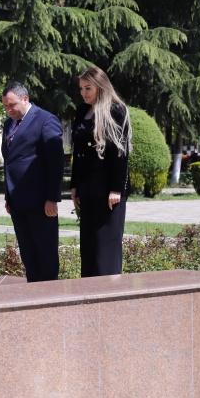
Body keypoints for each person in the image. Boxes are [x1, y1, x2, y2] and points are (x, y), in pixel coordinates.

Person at [70, 66, 132, 277]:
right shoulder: (82, 111)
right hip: (87, 189)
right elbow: (78, 153)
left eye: (88, 88)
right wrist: (74, 185)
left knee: (106, 249)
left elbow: (120, 153)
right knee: (89, 248)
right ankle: (89, 291)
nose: (83, 93)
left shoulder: (116, 110)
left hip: (108, 192)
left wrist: (116, 189)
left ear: (101, 87)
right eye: (81, 88)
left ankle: (110, 293)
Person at [2, 81, 64, 282]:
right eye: (5, 106)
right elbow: (10, 161)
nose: (9, 110)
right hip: (17, 201)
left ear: (25, 99)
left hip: (41, 202)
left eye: (12, 105)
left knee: (45, 254)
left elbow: (55, 163)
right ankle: (33, 293)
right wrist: (9, 197)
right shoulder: (8, 123)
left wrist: (52, 198)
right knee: (28, 255)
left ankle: (49, 294)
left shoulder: (46, 120)